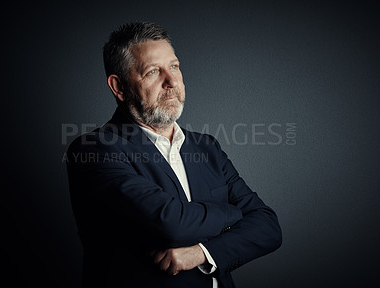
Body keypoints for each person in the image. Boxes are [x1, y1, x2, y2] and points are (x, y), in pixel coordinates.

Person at [66, 22, 282, 288]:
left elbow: (269, 227)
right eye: (153, 71)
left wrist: (203, 253)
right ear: (119, 87)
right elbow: (172, 225)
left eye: (174, 66)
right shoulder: (94, 149)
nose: (171, 81)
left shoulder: (206, 147)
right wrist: (234, 212)